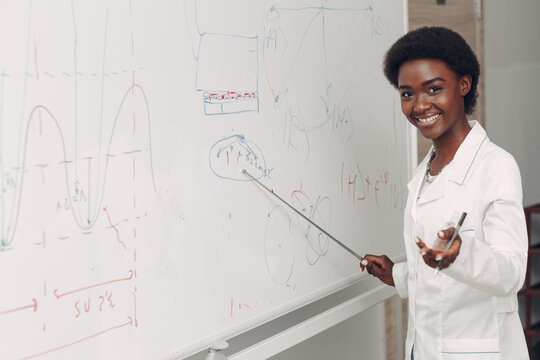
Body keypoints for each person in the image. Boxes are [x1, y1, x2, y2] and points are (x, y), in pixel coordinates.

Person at [360, 26, 529, 360]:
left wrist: (461, 255)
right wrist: (396, 273)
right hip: (423, 348)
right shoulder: (426, 170)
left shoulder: (496, 167)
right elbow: (436, 275)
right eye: (407, 94)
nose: (420, 105)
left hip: (478, 350)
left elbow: (511, 274)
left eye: (434, 89)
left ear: (464, 85)